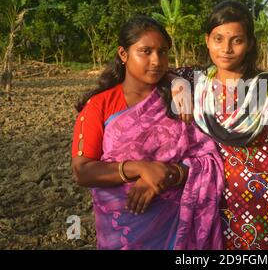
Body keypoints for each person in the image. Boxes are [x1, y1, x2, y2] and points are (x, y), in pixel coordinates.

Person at [71, 16, 224, 250]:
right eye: (146, 51)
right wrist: (141, 168)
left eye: (162, 52)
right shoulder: (100, 105)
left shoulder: (182, 100)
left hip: (176, 228)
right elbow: (83, 172)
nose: (156, 61)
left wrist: (165, 176)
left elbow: (207, 158)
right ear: (123, 54)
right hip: (121, 233)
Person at [171, 1, 268, 250]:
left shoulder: (263, 91)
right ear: (207, 40)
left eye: (236, 40)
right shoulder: (193, 82)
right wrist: (177, 83)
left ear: (248, 44)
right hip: (222, 204)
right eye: (218, 39)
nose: (226, 49)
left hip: (260, 208)